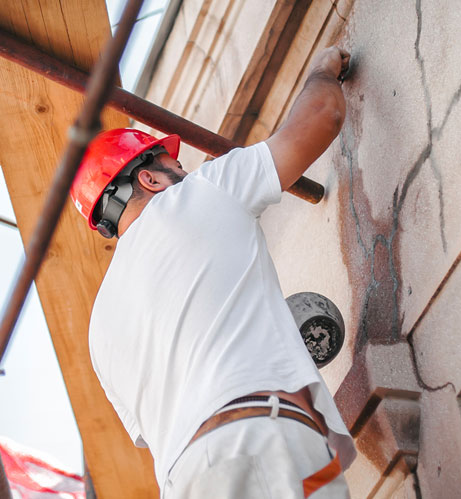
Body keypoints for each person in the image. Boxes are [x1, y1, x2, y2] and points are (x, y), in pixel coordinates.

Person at [70, 45, 356, 498]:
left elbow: (179, 424)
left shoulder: (98, 332)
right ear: (148, 178)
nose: (186, 171)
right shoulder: (199, 193)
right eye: (176, 166)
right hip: (261, 438)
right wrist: (323, 69)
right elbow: (323, 115)